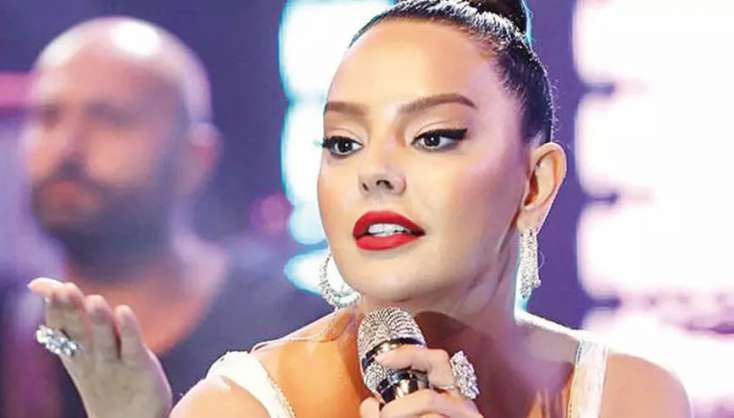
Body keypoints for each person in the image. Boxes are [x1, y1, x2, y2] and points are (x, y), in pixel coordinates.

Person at [28, 1, 692, 417]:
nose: (374, 172)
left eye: (433, 136)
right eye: (343, 143)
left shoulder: (633, 396)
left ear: (535, 184)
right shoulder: (238, 406)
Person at [6, 16, 327, 418]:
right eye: (48, 116)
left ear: (195, 159)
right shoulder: (11, 334)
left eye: (110, 118)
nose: (67, 147)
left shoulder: (300, 336)